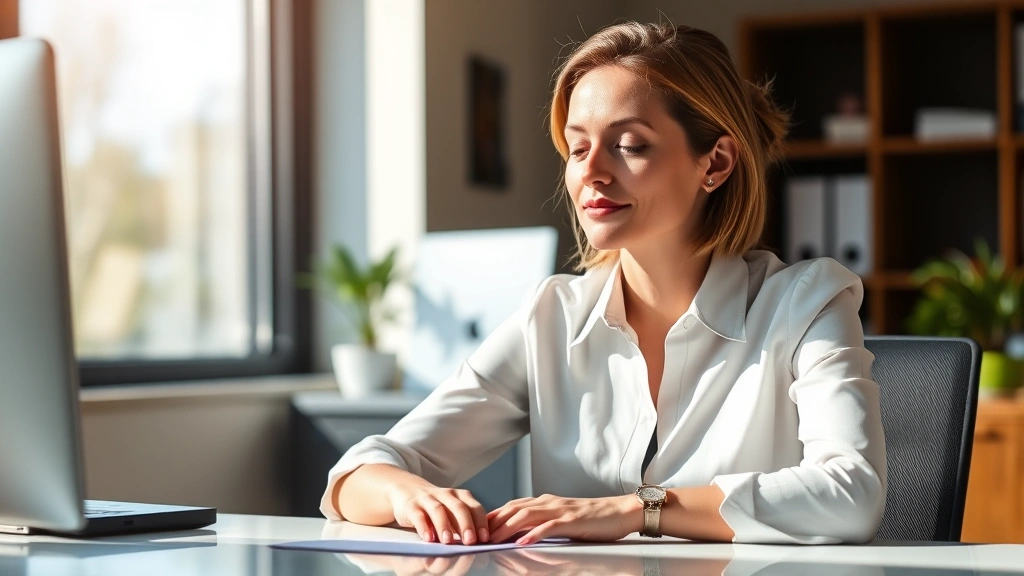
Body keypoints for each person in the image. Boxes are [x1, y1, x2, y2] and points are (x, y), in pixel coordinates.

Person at [319, 21, 887, 546]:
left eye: (630, 144)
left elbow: (851, 493)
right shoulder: (553, 316)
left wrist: (636, 509)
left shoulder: (808, 303)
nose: (591, 172)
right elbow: (358, 473)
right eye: (578, 147)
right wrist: (411, 493)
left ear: (715, 163)